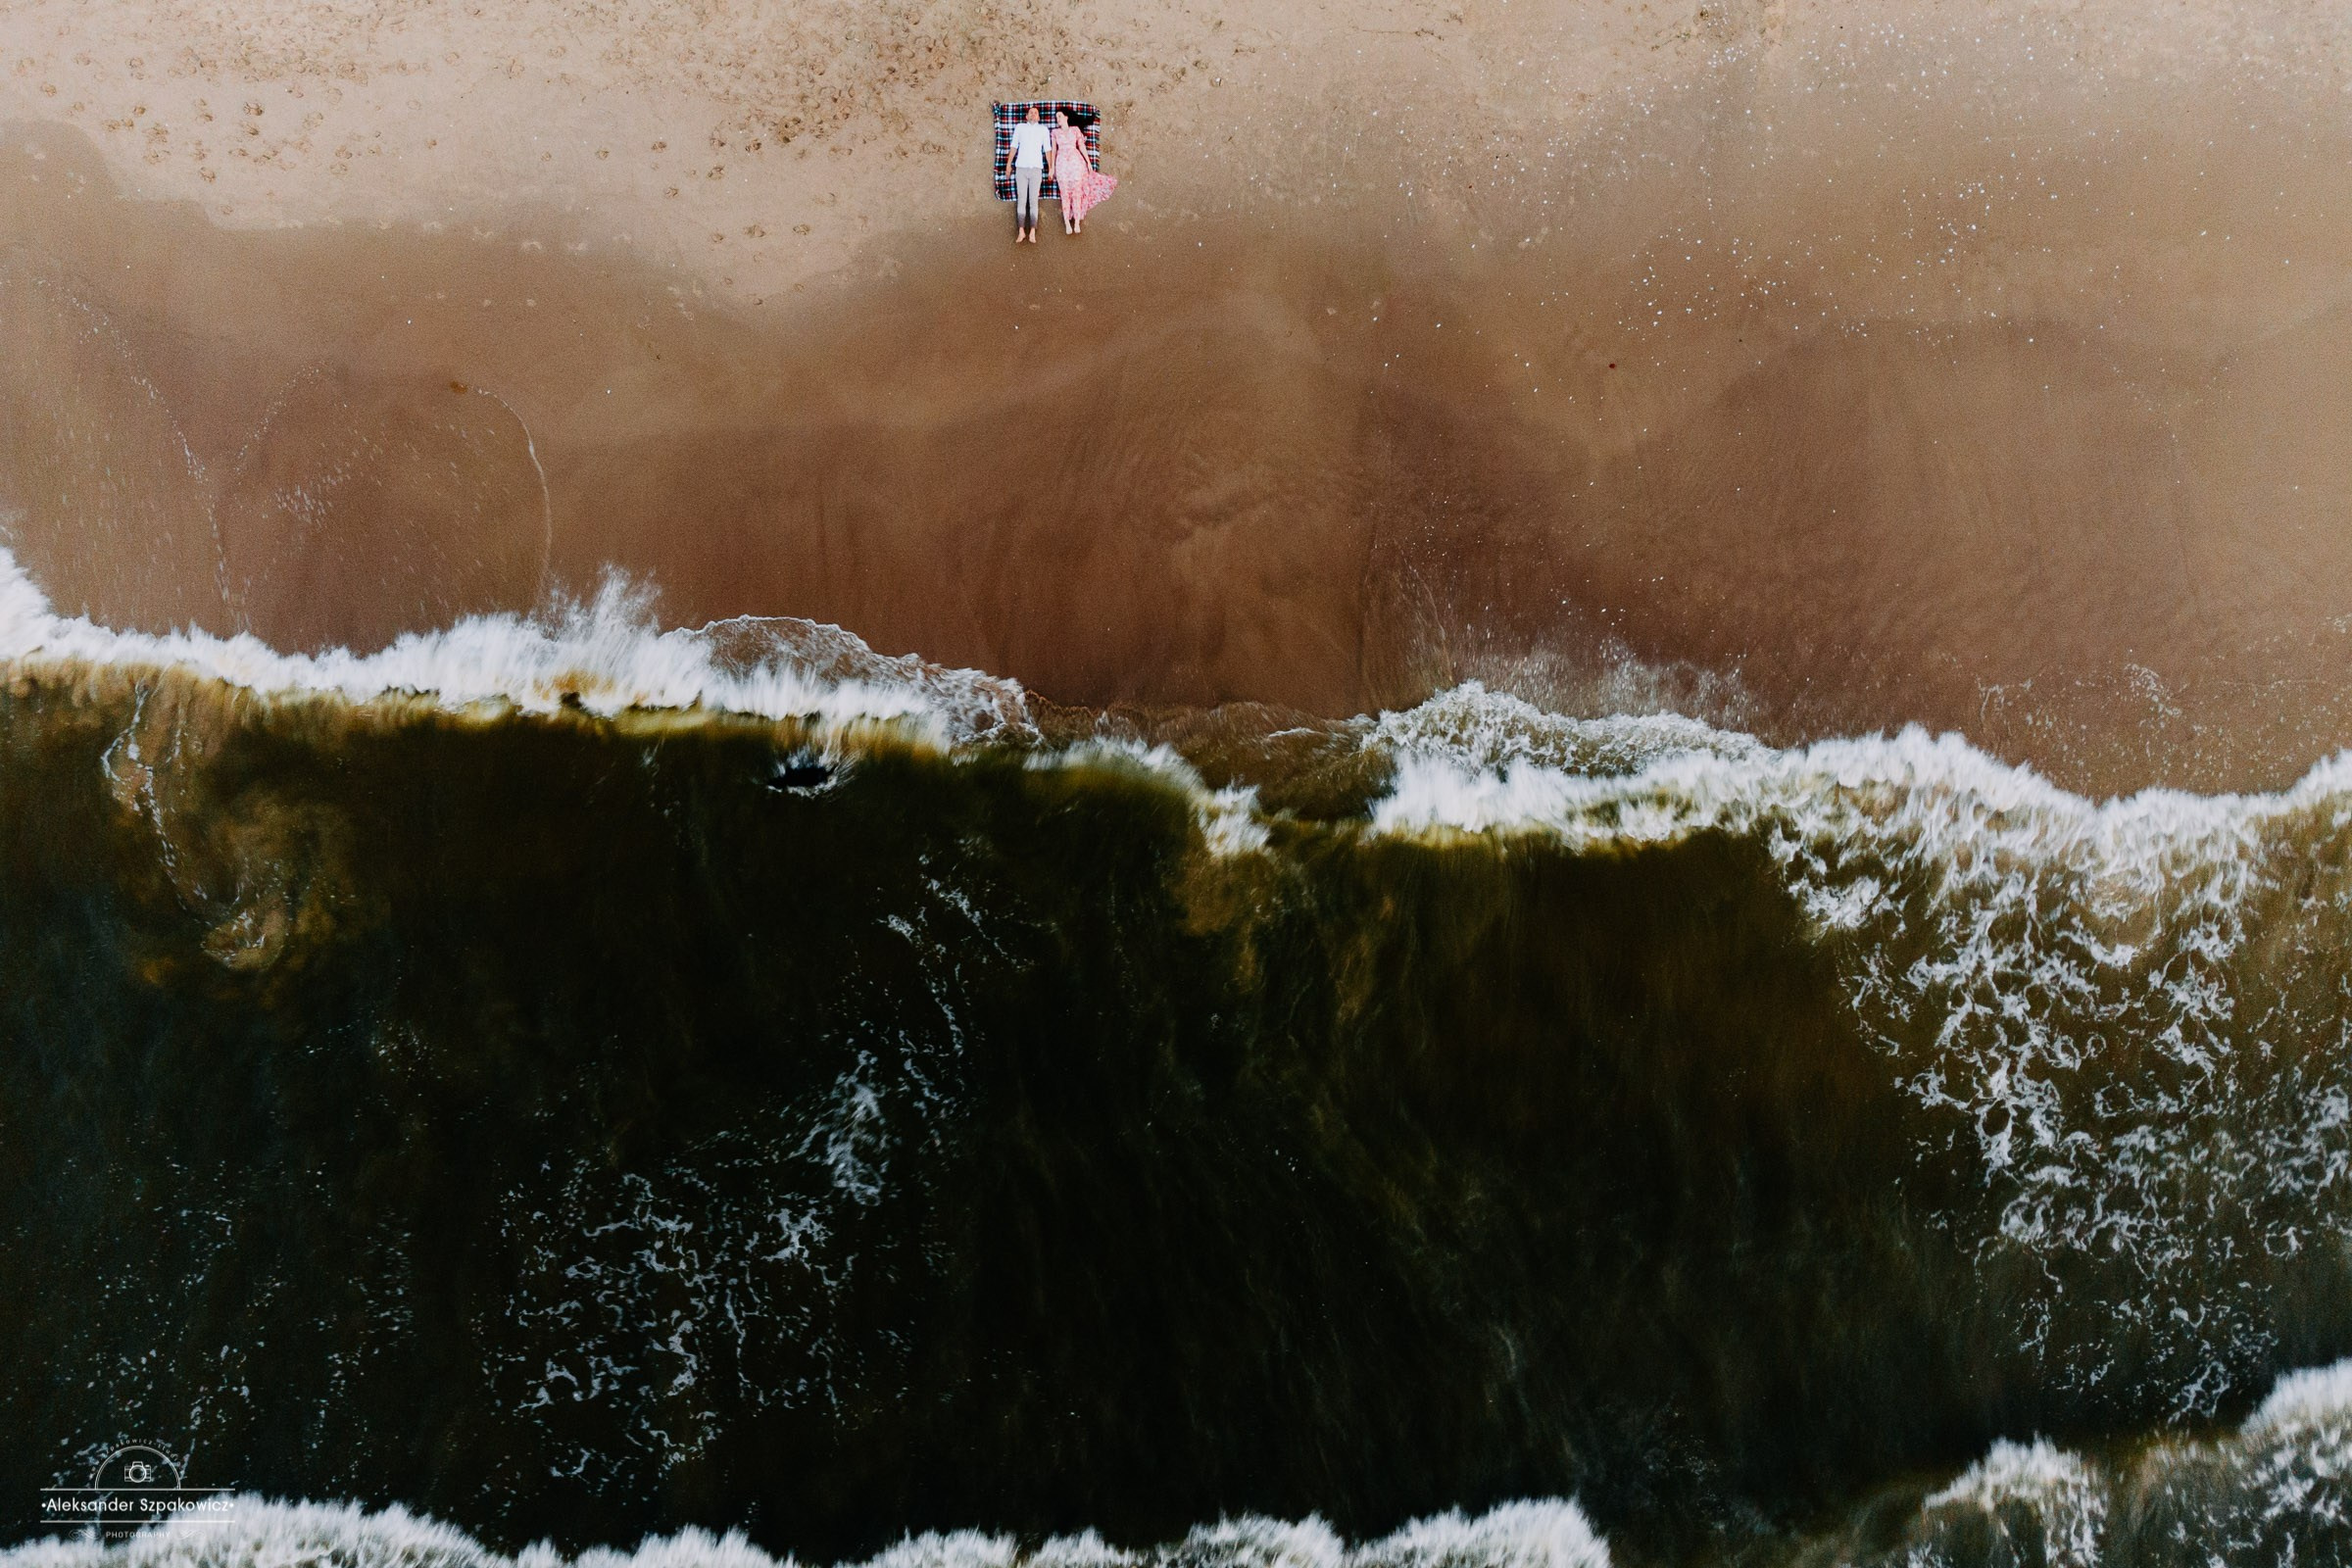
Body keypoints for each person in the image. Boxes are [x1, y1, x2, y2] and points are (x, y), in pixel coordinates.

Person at [1050, 109, 1117, 235]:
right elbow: (1053, 150)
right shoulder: (1055, 132)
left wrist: (1089, 162)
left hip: (1075, 160)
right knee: (1064, 193)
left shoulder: (1075, 130)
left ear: (1066, 117)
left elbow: (1081, 146)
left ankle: (1076, 223)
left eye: (1059, 116)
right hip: (1061, 162)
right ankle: (1067, 224)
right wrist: (1052, 167)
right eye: (1056, 117)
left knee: (1076, 192)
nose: (1057, 119)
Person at [1006, 105, 1051, 245]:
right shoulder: (1020, 127)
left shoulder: (1043, 130)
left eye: (1035, 113)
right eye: (1030, 113)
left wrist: (1051, 168)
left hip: (1036, 169)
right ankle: (1021, 231)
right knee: (1022, 199)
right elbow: (1014, 146)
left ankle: (1032, 231)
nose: (1033, 114)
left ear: (1038, 117)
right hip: (1021, 168)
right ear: (1026, 117)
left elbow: (1047, 149)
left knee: (1033, 201)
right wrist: (1009, 164)